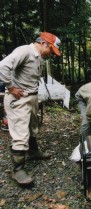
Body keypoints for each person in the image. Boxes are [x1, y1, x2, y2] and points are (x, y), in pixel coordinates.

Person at [0, 32, 61, 185]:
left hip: (32, 97)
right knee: (20, 132)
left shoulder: (38, 57)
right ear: (44, 44)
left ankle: (33, 151)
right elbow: (3, 66)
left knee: (32, 126)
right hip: (19, 98)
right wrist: (11, 87)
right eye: (51, 50)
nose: (51, 54)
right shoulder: (24, 51)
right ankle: (18, 169)